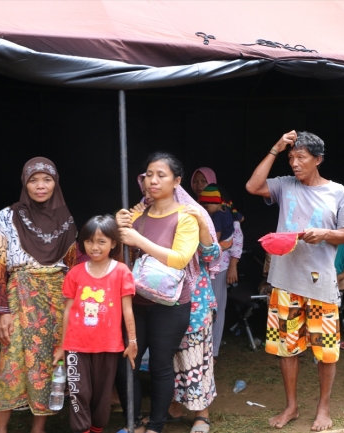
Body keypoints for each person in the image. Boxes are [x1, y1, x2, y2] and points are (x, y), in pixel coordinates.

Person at [246, 130, 344, 431]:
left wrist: (325, 234)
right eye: (291, 158)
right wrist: (276, 147)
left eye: (301, 158)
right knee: (287, 348)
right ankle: (291, 407)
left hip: (320, 286)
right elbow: (253, 186)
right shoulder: (285, 185)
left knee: (325, 351)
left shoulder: (337, 192)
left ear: (318, 159)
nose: (294, 164)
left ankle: (323, 409)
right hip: (285, 283)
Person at [0, 157, 78, 433]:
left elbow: (73, 270)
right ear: (24, 183)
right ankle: (1, 430)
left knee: (47, 362)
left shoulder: (66, 219)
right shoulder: (8, 215)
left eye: (47, 179)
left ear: (56, 183)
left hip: (56, 298)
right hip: (19, 295)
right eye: (33, 180)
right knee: (10, 361)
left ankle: (37, 429)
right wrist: (1, 312)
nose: (40, 185)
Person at [115, 152, 199, 433]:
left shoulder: (186, 217)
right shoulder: (136, 214)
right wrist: (118, 226)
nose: (153, 180)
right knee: (127, 363)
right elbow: (116, 252)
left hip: (171, 304)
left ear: (177, 181)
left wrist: (139, 239)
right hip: (135, 301)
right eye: (149, 174)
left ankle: (155, 426)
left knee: (161, 365)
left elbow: (179, 259)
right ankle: (134, 421)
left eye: (161, 175)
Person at [135, 173, 222, 432]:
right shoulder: (142, 215)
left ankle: (201, 414)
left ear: (175, 183)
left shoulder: (191, 213)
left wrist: (204, 229)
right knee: (165, 356)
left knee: (193, 355)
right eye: (146, 182)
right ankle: (171, 406)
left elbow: (212, 255)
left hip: (192, 295)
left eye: (159, 178)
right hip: (155, 297)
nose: (150, 186)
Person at [53, 215, 138, 433]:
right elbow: (68, 310)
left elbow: (128, 309)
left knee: (102, 395)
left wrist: (132, 341)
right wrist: (63, 345)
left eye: (101, 241)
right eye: (90, 241)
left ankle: (97, 428)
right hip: (76, 344)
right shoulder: (75, 273)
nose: (95, 247)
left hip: (109, 345)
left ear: (113, 243)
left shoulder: (121, 272)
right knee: (78, 391)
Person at [190, 168, 244, 358]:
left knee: (216, 307)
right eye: (195, 181)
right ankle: (197, 349)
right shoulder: (191, 207)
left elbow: (236, 242)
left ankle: (212, 351)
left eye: (203, 181)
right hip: (195, 266)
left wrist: (233, 266)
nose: (199, 186)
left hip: (218, 267)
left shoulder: (223, 213)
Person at [198, 184, 234, 250]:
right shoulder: (227, 209)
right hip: (230, 240)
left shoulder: (217, 216)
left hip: (223, 244)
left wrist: (211, 247)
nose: (205, 210)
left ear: (216, 203)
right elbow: (241, 218)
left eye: (206, 206)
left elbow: (217, 235)